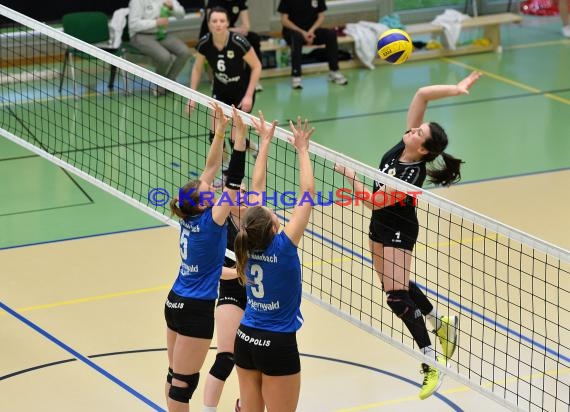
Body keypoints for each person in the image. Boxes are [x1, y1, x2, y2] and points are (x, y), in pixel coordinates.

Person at [334, 71, 482, 400]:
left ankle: (430, 360)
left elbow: (373, 202)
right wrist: (455, 89)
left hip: (399, 229)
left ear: (424, 149)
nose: (413, 129)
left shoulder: (410, 175)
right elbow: (421, 94)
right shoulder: (405, 143)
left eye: (419, 132)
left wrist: (351, 175)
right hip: (379, 228)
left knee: (396, 298)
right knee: (392, 285)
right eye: (417, 127)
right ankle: (439, 320)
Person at [164, 102, 247, 412]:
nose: (211, 187)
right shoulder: (212, 222)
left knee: (175, 376)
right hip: (194, 309)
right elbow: (234, 180)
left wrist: (221, 131)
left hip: (174, 301)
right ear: (201, 204)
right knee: (183, 386)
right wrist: (240, 139)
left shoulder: (189, 215)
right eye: (207, 191)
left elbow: (211, 169)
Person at [233, 112, 315, 412]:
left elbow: (256, 188)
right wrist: (303, 150)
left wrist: (265, 142)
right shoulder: (283, 246)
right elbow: (306, 193)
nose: (271, 210)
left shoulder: (246, 242)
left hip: (245, 339)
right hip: (277, 344)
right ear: (272, 227)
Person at [187, 7, 262, 169]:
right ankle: (225, 169)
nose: (218, 24)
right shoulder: (205, 43)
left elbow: (256, 66)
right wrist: (191, 95)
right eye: (214, 21)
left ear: (228, 23)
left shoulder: (238, 42)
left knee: (235, 140)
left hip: (242, 93)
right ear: (209, 24)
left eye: (222, 21)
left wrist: (249, 95)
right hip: (220, 92)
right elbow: (197, 68)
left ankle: (256, 149)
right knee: (215, 136)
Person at [202, 186, 248, 412]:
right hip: (231, 294)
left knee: (253, 363)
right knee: (226, 359)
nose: (242, 196)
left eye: (245, 193)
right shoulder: (220, 228)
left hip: (257, 300)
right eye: (238, 192)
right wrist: (240, 273)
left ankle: (245, 405)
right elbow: (214, 269)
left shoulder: (255, 225)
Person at [277, 0, 348, 89]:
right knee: (296, 38)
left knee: (331, 35)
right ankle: (296, 76)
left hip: (312, 31)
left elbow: (321, 16)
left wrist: (311, 31)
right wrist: (302, 32)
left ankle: (334, 71)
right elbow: (284, 20)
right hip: (293, 31)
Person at [128, 0, 191, 95]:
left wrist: (172, 7)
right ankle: (160, 87)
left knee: (184, 52)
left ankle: (169, 83)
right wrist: (156, 22)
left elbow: (181, 14)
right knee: (165, 57)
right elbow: (133, 25)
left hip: (161, 34)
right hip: (140, 35)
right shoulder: (137, 1)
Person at [199, 0, 264, 91]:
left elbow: (246, 27)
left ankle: (253, 79)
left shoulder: (240, 2)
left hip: (230, 32)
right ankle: (217, 78)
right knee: (218, 47)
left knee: (254, 39)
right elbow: (211, 27)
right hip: (211, 33)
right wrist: (236, 29)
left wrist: (229, 30)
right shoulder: (213, 2)